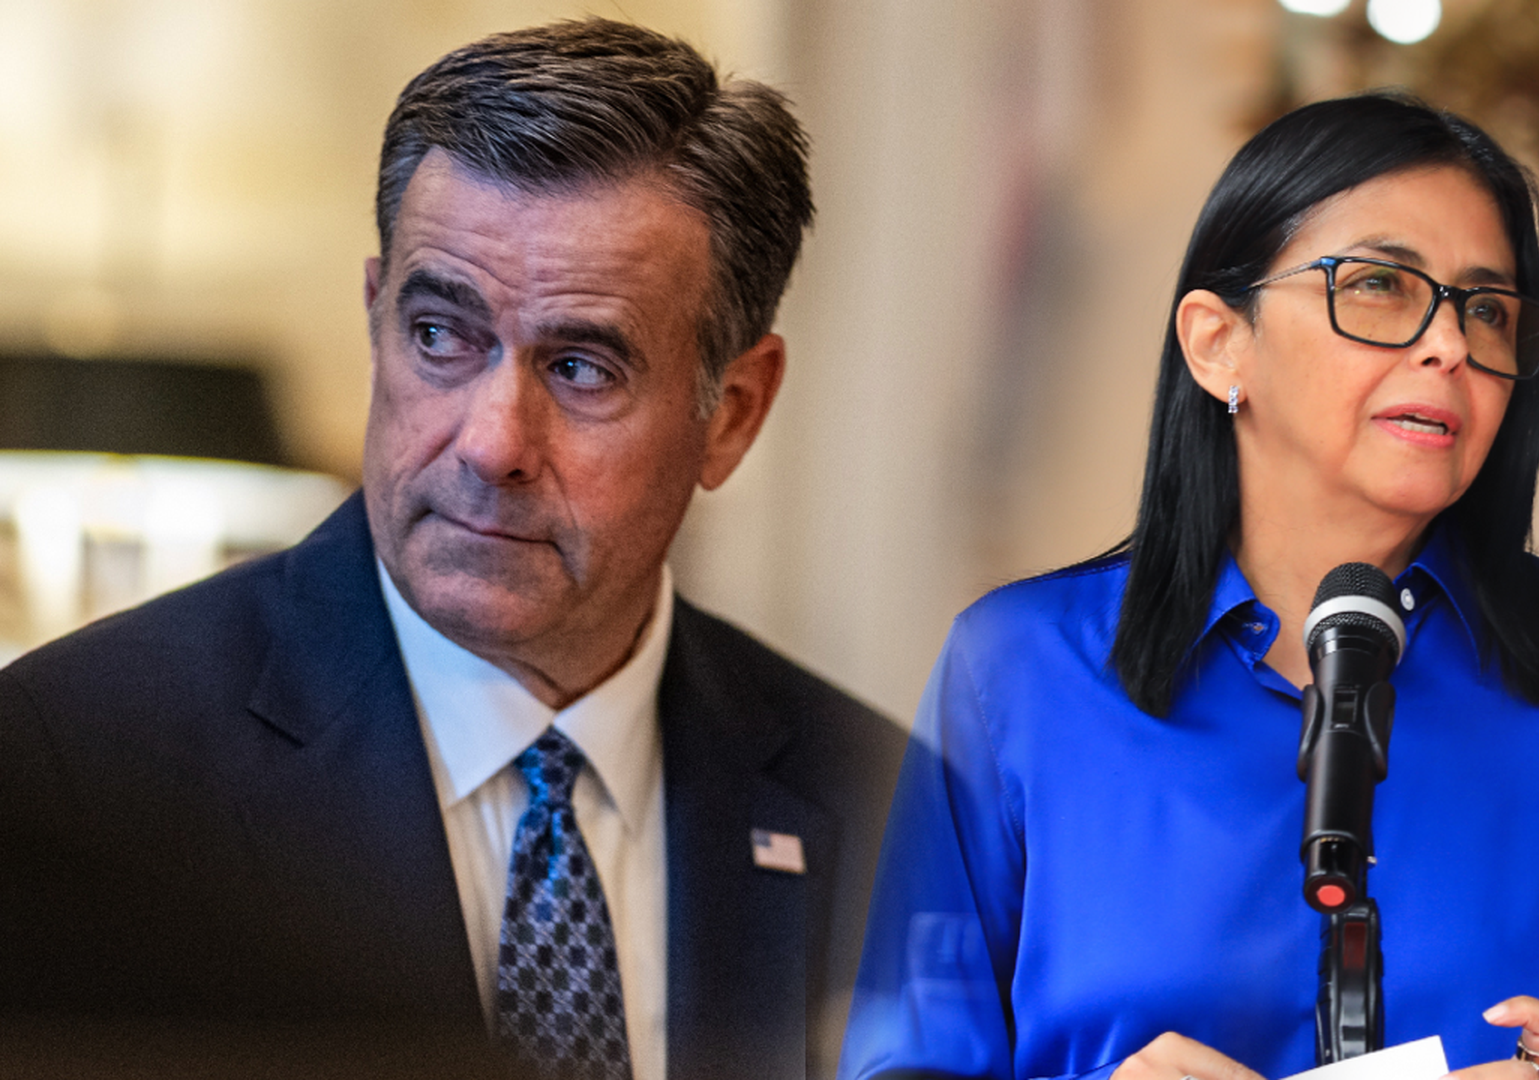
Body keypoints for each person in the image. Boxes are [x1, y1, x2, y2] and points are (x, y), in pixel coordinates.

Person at [0, 19, 904, 1080]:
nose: (491, 443)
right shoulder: (71, 770)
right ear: (376, 317)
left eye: (581, 368)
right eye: (439, 335)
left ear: (734, 412)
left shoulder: (898, 819)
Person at [838, 94, 1539, 1080]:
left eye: (1488, 310)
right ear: (1217, 343)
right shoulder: (1020, 672)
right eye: (1378, 285)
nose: (1450, 345)